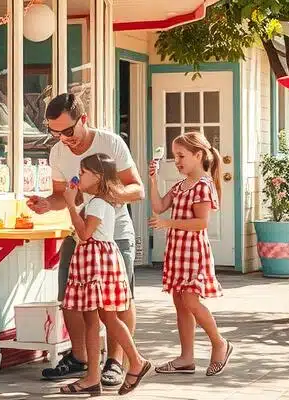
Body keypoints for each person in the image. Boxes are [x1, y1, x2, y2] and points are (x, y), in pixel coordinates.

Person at [28, 93, 144, 388]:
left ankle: (116, 362)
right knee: (71, 298)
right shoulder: (58, 153)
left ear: (83, 120)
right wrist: (46, 204)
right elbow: (62, 196)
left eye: (68, 131)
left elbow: (137, 189)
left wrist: (104, 195)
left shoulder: (110, 143)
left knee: (116, 302)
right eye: (55, 132)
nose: (63, 138)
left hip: (113, 233)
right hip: (81, 235)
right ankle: (80, 359)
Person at [59, 154, 152, 395]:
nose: (79, 177)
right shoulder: (94, 202)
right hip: (94, 261)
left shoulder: (99, 203)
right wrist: (75, 202)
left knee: (107, 318)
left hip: (97, 262)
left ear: (98, 176)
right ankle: (92, 376)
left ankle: (136, 361)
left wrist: (70, 204)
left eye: (84, 172)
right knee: (94, 320)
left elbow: (85, 235)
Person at [150, 131, 233, 377]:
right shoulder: (181, 185)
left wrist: (167, 224)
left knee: (190, 301)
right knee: (180, 303)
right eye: (175, 156)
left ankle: (219, 343)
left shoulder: (203, 186)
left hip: (193, 251)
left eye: (181, 155)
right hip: (177, 250)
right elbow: (158, 206)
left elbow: (201, 223)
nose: (177, 161)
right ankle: (186, 358)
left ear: (198, 155)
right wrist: (153, 180)